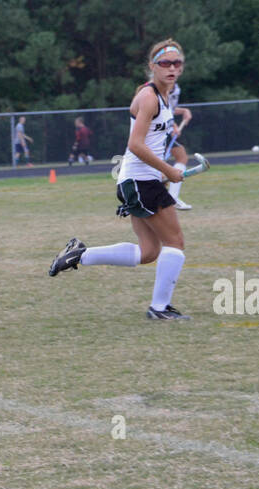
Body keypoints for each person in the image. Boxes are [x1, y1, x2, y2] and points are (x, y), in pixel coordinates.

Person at [47, 39, 191, 321]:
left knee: (149, 252)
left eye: (177, 63)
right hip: (138, 181)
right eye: (165, 63)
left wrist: (161, 172)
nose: (172, 68)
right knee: (176, 242)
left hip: (140, 180)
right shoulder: (149, 97)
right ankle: (159, 309)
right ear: (152, 67)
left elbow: (150, 141)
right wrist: (169, 170)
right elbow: (135, 145)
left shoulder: (164, 98)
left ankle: (79, 255)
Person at [164, 86, 193, 209]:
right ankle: (171, 198)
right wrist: (173, 124)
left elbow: (170, 108)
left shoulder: (176, 89)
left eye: (177, 65)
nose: (173, 69)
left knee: (181, 157)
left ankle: (172, 197)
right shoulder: (156, 87)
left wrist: (183, 111)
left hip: (166, 129)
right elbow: (159, 109)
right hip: (158, 130)